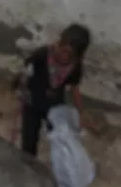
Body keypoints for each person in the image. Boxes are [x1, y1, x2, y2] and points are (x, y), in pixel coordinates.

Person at [17, 23, 92, 157]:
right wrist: (22, 88)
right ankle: (27, 164)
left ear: (77, 56)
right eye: (62, 48)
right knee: (29, 140)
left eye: (69, 54)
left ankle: (60, 163)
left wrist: (81, 113)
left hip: (54, 105)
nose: (63, 55)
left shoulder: (75, 68)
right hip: (32, 102)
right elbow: (25, 73)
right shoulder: (41, 55)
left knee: (61, 136)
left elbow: (74, 88)